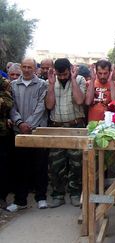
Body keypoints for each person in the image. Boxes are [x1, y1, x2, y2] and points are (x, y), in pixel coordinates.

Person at [7, 58, 48, 212]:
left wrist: (29, 124)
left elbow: (41, 107)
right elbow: (11, 107)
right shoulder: (12, 85)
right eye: (24, 67)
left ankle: (41, 197)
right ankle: (20, 200)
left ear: (34, 68)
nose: (26, 69)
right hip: (20, 132)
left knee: (40, 166)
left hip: (37, 131)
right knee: (20, 167)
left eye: (29, 67)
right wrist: (19, 123)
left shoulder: (42, 85)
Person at [45, 58, 87, 207]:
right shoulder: (50, 81)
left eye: (65, 74)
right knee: (56, 164)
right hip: (57, 127)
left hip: (76, 126)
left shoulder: (80, 79)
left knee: (77, 163)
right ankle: (58, 194)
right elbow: (49, 105)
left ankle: (75, 193)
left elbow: (80, 100)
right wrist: (51, 85)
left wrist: (74, 80)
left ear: (70, 70)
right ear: (55, 72)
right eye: (59, 75)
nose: (62, 77)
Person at [0, 76, 14, 209]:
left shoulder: (3, 83)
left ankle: (2, 198)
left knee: (2, 167)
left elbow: (9, 102)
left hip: (2, 134)